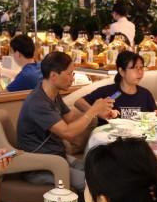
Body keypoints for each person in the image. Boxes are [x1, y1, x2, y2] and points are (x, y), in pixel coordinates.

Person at [16, 52, 113, 190]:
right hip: (41, 166)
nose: (72, 79)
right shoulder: (38, 102)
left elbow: (71, 118)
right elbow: (67, 133)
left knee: (101, 171)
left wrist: (96, 113)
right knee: (93, 183)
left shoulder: (52, 95)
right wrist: (93, 110)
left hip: (58, 158)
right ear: (54, 75)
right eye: (69, 74)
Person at [74, 51, 157, 122]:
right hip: (109, 141)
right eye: (134, 68)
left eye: (141, 67)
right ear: (122, 71)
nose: (140, 72)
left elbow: (153, 117)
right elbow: (79, 102)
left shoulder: (145, 94)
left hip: (137, 141)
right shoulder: (107, 92)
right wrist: (97, 112)